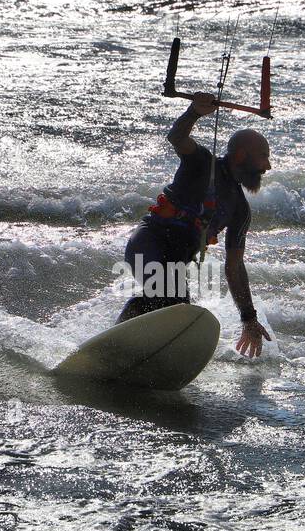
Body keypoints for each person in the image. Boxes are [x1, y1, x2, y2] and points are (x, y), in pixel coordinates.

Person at [117, 92, 273, 358]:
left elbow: (234, 267)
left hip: (175, 263)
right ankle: (117, 346)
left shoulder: (240, 210)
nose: (267, 166)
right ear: (240, 155)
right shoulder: (201, 163)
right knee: (171, 302)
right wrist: (194, 112)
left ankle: (142, 356)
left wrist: (248, 318)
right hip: (148, 244)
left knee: (179, 314)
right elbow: (177, 138)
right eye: (263, 157)